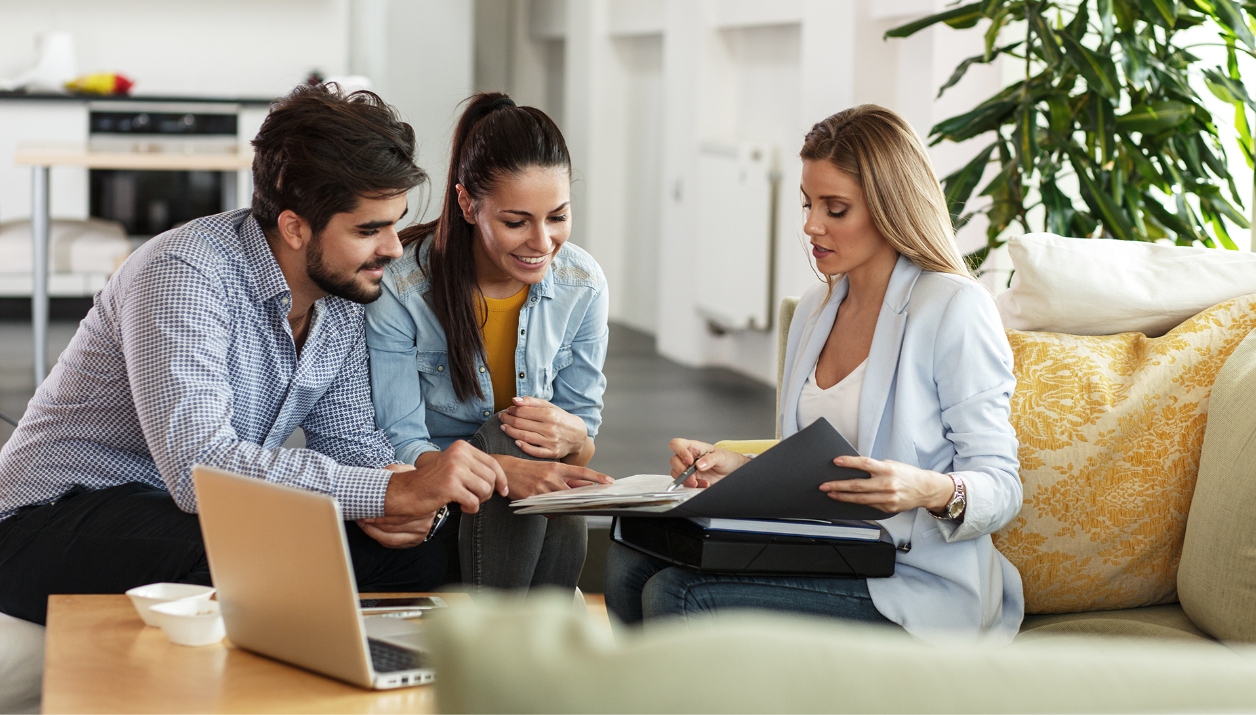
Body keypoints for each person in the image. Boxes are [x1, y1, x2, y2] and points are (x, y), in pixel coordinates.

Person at [0, 84, 509, 625]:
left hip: (184, 513)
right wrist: (386, 490)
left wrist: (409, 503)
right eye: (369, 229)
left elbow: (350, 441)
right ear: (294, 227)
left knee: (424, 553)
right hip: (49, 518)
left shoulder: (338, 299)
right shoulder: (183, 274)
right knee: (256, 550)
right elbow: (202, 467)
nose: (391, 247)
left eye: (393, 222)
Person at [605, 105, 1024, 643]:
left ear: (889, 208)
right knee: (628, 563)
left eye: (836, 208)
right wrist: (743, 468)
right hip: (827, 555)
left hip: (913, 581)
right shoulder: (814, 309)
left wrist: (926, 489)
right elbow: (814, 470)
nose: (810, 225)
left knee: (677, 593)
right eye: (808, 203)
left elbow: (1003, 487)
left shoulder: (953, 308)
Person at [367, 92, 610, 593]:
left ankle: (524, 644)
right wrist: (505, 468)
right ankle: (528, 639)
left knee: (539, 448)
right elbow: (399, 441)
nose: (542, 243)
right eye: (516, 222)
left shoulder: (583, 283)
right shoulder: (402, 285)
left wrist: (574, 439)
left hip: (528, 509)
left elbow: (580, 443)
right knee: (508, 435)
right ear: (467, 204)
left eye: (558, 217)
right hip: (440, 502)